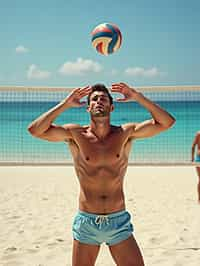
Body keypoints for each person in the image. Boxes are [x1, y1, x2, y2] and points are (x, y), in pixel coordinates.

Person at [28, 82, 175, 266]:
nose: (99, 102)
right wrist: (65, 103)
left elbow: (167, 122)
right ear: (88, 107)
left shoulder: (125, 133)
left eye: (103, 99)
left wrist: (137, 97)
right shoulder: (75, 134)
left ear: (111, 106)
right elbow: (35, 130)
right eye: (94, 99)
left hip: (118, 221)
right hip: (87, 222)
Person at [191, 131, 200, 203]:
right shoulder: (198, 133)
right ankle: (199, 199)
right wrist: (192, 158)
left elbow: (193, 146)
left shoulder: (198, 133)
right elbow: (193, 146)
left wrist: (192, 158)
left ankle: (199, 199)